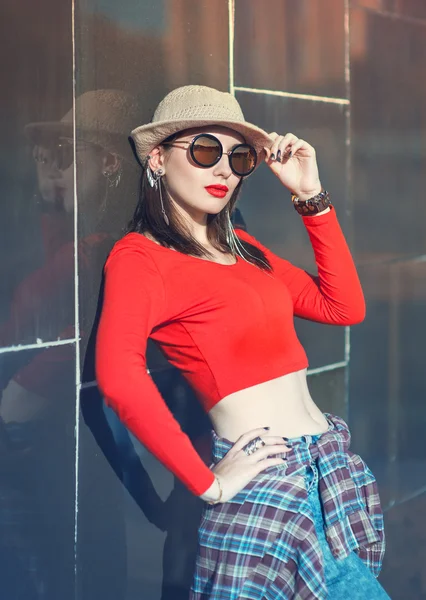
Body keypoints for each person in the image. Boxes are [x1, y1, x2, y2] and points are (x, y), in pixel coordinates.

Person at [95, 85, 390, 599]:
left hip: (326, 468)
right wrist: (207, 482)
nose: (224, 169)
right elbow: (118, 375)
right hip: (266, 485)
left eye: (238, 156)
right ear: (159, 159)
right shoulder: (140, 257)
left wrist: (309, 196)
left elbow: (344, 307)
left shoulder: (242, 247)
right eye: (205, 150)